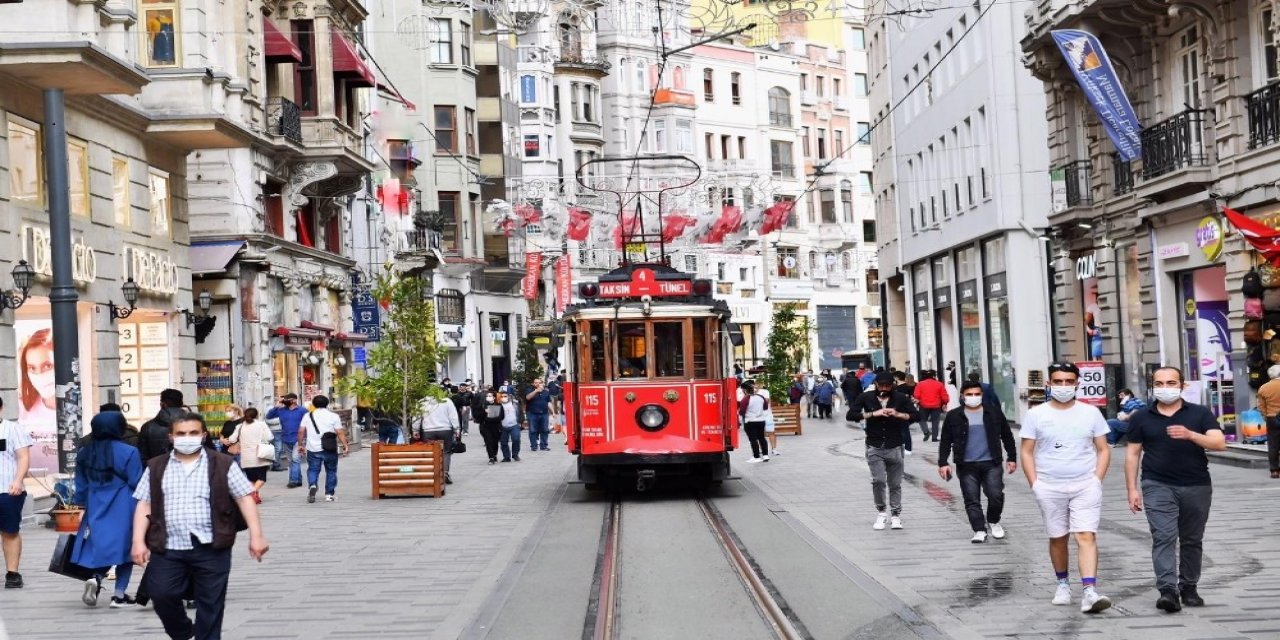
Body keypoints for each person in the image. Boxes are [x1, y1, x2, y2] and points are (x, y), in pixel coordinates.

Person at [131, 413, 268, 639]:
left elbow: (245, 497)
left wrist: (257, 536)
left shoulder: (222, 464)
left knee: (210, 603)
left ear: (203, 435)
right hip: (168, 545)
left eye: (193, 433)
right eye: (181, 434)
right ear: (171, 437)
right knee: (161, 593)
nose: (187, 438)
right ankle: (183, 631)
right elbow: (144, 503)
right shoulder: (156, 466)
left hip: (211, 545)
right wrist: (138, 542)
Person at [1125, 367, 1226, 613]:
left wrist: (1191, 434)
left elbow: (1219, 442)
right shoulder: (1141, 417)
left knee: (1192, 539)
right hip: (1156, 484)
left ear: (1181, 386)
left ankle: (1189, 587)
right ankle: (1168, 591)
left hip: (1196, 484)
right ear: (1152, 386)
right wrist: (1132, 489)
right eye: (1159, 383)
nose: (1165, 387)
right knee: (1163, 536)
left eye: (1171, 383)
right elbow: (1132, 454)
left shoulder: (1199, 413)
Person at [1020, 362, 1112, 614]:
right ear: (1049, 384)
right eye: (1058, 381)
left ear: (1077, 383)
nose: (1064, 386)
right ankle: (1062, 583)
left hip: (1085, 484)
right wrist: (1035, 484)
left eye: (1069, 381)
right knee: (1058, 537)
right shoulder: (1036, 414)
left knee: (1086, 535)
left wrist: (1096, 480)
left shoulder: (1090, 413)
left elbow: (1103, 449)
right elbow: (1026, 452)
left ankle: (1089, 592)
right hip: (1049, 485)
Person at [73, 411, 144, 607]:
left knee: (101, 546)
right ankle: (118, 595)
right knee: (126, 550)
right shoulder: (129, 452)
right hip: (124, 502)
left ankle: (95, 578)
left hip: (95, 502)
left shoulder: (84, 454)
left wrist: (80, 507)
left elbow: (80, 485)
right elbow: (137, 482)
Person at [938, 381, 1018, 543]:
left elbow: (1007, 435)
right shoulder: (954, 416)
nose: (973, 397)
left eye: (977, 394)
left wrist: (1012, 457)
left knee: (995, 495)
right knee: (971, 498)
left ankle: (994, 521)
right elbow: (946, 440)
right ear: (962, 396)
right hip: (966, 464)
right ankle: (979, 529)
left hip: (992, 462)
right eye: (969, 394)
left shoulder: (993, 413)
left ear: (982, 395)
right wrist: (943, 462)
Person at [847, 372, 918, 529]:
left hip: (896, 445)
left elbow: (916, 416)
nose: (884, 388)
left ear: (892, 385)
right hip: (874, 445)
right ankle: (881, 512)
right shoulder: (866, 397)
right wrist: (873, 414)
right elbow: (850, 415)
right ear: (876, 385)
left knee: (895, 483)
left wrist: (898, 414)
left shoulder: (900, 398)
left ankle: (895, 515)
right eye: (881, 385)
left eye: (888, 385)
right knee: (878, 480)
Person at [0, 397, 31, 589]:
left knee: (9, 532)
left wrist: (18, 480)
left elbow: (23, 456)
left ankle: (12, 573)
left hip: (7, 490)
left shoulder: (13, 429)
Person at [297, 396, 348, 503]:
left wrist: (300, 444)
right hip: (329, 447)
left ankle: (312, 485)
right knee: (331, 470)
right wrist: (345, 445)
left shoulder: (307, 415)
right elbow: (339, 432)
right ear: (327, 404)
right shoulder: (333, 416)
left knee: (313, 469)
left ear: (314, 404)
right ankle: (329, 494)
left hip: (312, 448)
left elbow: (301, 431)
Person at [227, 408, 274, 504]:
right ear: (257, 415)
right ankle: (251, 493)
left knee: (252, 479)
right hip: (260, 455)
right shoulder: (261, 424)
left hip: (246, 457)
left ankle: (255, 498)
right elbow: (270, 437)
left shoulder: (240, 426)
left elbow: (232, 439)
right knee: (261, 479)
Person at [266, 393, 308, 487]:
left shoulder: (302, 410)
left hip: (299, 439)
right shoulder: (281, 410)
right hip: (285, 438)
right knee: (291, 461)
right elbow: (269, 416)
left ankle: (293, 481)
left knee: (295, 459)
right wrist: (276, 406)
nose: (285, 401)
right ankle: (299, 480)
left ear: (294, 400)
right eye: (284, 399)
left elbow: (309, 423)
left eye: (287, 399)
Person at [417, 398, 460, 484]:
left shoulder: (422, 401)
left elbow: (417, 416)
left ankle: (432, 474)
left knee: (430, 453)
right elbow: (453, 415)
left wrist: (415, 429)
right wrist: (456, 428)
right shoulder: (447, 400)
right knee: (446, 452)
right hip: (445, 429)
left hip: (428, 430)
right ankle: (445, 473)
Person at [138, 389, 186, 462]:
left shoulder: (148, 427)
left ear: (162, 404)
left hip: (157, 471)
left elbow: (143, 459)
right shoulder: (196, 425)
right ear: (182, 404)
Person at [1255, 364, 1280, 478]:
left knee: (1273, 445)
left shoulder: (1263, 388)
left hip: (1272, 417)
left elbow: (1260, 406)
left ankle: (1274, 470)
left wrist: (1266, 415)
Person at [738, 380, 770, 463]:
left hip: (750, 421)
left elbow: (742, 411)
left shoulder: (745, 399)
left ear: (745, 390)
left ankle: (756, 457)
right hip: (761, 420)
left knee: (753, 439)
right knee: (762, 438)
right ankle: (765, 455)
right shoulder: (761, 397)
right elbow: (765, 407)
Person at [913, 370, 949, 442]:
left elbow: (916, 395)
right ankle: (934, 438)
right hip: (936, 405)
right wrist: (945, 402)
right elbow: (944, 395)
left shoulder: (920, 384)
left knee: (921, 419)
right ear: (934, 376)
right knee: (935, 421)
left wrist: (918, 401)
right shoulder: (939, 384)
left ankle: (926, 432)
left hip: (923, 405)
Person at [524, 378, 553, 451]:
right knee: (533, 430)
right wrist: (536, 391)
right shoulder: (529, 390)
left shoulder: (546, 392)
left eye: (539, 382)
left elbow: (548, 402)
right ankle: (534, 446)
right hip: (532, 413)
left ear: (542, 383)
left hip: (544, 413)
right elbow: (527, 397)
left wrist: (553, 412)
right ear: (533, 384)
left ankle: (543, 446)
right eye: (536, 382)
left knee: (545, 430)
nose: (538, 384)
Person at [497, 390, 525, 462]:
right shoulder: (498, 405)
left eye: (505, 396)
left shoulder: (515, 404)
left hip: (514, 425)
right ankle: (506, 457)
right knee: (503, 442)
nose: (503, 398)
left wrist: (521, 422)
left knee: (516, 439)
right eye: (502, 396)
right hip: (503, 426)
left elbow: (521, 413)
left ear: (509, 396)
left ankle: (515, 455)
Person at [477, 390, 504, 464]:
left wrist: (490, 416)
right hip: (485, 426)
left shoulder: (498, 405)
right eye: (487, 396)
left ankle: (494, 454)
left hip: (496, 427)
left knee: (495, 442)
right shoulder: (483, 405)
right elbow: (478, 417)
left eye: (490, 396)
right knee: (488, 441)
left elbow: (501, 417)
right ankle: (491, 457)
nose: (488, 397)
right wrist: (484, 412)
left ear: (494, 397)